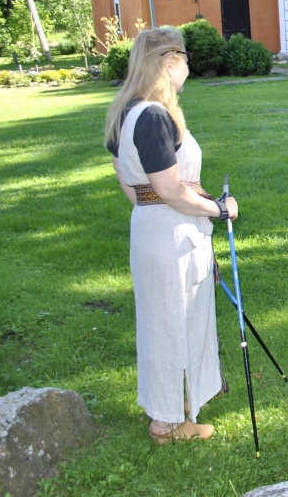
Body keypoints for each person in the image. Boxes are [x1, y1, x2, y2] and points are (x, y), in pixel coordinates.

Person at [105, 27, 237, 444]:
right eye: (185, 59)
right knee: (170, 323)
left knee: (169, 320)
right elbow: (170, 189)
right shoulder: (153, 116)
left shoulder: (127, 111)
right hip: (171, 235)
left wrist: (168, 207)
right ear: (169, 63)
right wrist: (218, 209)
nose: (188, 68)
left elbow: (132, 185)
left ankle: (179, 406)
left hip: (154, 228)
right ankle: (165, 423)